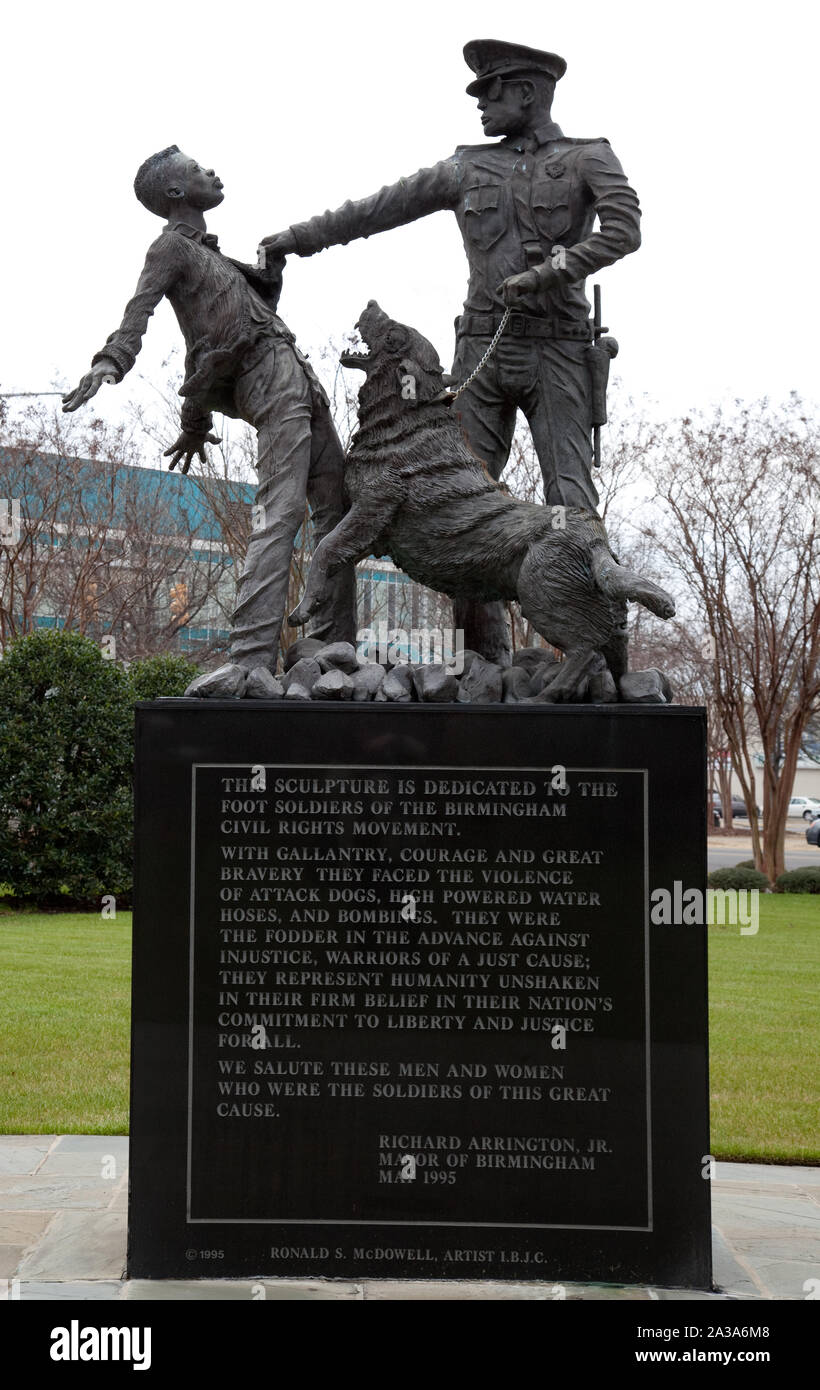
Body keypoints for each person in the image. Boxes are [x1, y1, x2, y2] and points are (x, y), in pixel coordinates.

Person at [260, 39, 641, 661]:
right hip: (480, 358)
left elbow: (625, 231)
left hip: (561, 353)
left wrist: (553, 272)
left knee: (571, 499)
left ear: (527, 92)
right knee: (461, 505)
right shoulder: (466, 168)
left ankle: (602, 653)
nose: (483, 105)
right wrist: (299, 239)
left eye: (492, 92)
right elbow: (379, 208)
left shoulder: (588, 158)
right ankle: (481, 662)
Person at [63, 146, 355, 688]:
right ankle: (250, 656)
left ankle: (334, 645)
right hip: (267, 377)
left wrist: (194, 423)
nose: (212, 172)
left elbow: (210, 335)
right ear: (176, 193)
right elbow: (140, 312)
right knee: (282, 508)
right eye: (198, 170)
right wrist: (110, 362)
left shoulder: (219, 258)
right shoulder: (170, 247)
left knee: (337, 510)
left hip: (298, 377)